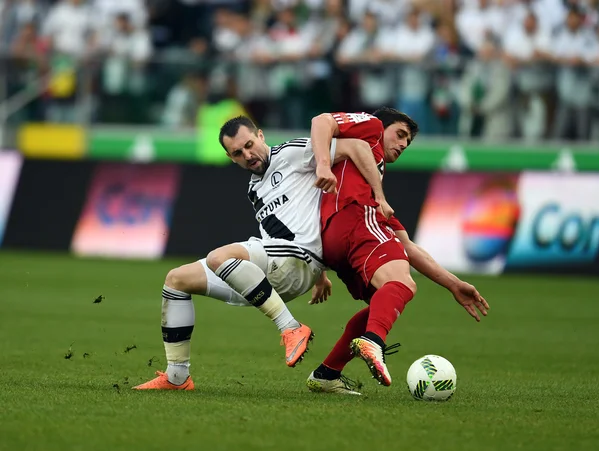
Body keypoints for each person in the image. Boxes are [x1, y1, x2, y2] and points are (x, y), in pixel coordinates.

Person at [133, 115, 390, 390]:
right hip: (279, 268)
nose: (247, 155)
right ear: (231, 158)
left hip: (299, 258)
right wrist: (320, 278)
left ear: (261, 136)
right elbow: (295, 221)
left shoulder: (293, 152)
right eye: (238, 153)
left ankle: (291, 327)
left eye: (249, 144)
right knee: (176, 279)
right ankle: (177, 378)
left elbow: (357, 147)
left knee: (219, 258)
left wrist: (378, 196)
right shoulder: (254, 188)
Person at [305, 108, 490, 395]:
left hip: (332, 240)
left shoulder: (369, 181)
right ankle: (374, 341)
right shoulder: (372, 125)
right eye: (400, 134)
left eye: (408, 141)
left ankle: (327, 373)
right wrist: (323, 165)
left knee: (384, 300)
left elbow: (410, 249)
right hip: (355, 217)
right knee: (401, 284)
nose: (403, 144)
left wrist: (454, 284)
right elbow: (321, 121)